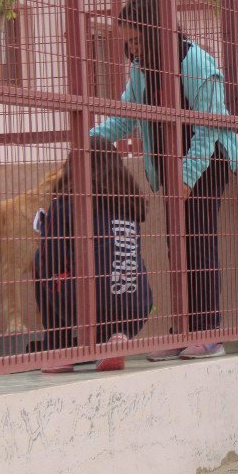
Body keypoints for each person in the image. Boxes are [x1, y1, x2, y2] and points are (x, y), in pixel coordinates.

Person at [91, 0, 238, 361]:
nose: (132, 49)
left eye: (137, 40)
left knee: (198, 235)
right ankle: (184, 330)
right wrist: (92, 138)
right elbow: (128, 115)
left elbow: (208, 131)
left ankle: (209, 334)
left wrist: (187, 180)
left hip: (209, 160)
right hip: (172, 162)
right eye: (127, 42)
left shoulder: (196, 64)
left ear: (155, 31)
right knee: (178, 245)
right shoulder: (141, 70)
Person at [34, 137, 154, 372]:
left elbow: (52, 256)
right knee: (121, 265)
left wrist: (45, 227)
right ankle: (118, 336)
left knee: (40, 259)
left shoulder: (67, 203)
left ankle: (60, 348)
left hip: (91, 305)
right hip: (138, 305)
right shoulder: (129, 204)